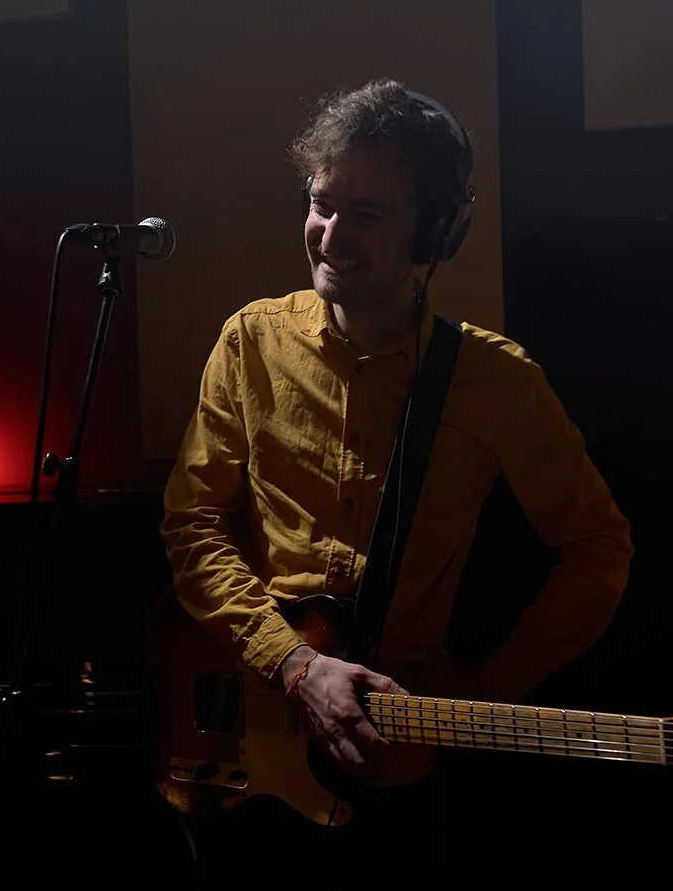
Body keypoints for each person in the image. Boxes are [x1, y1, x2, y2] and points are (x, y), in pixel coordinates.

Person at [159, 79, 633, 867]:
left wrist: (488, 686)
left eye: (366, 215)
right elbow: (192, 527)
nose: (329, 233)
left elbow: (600, 548)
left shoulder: (499, 382)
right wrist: (297, 665)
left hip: (397, 765)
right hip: (246, 758)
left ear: (436, 234)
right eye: (321, 202)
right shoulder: (250, 342)